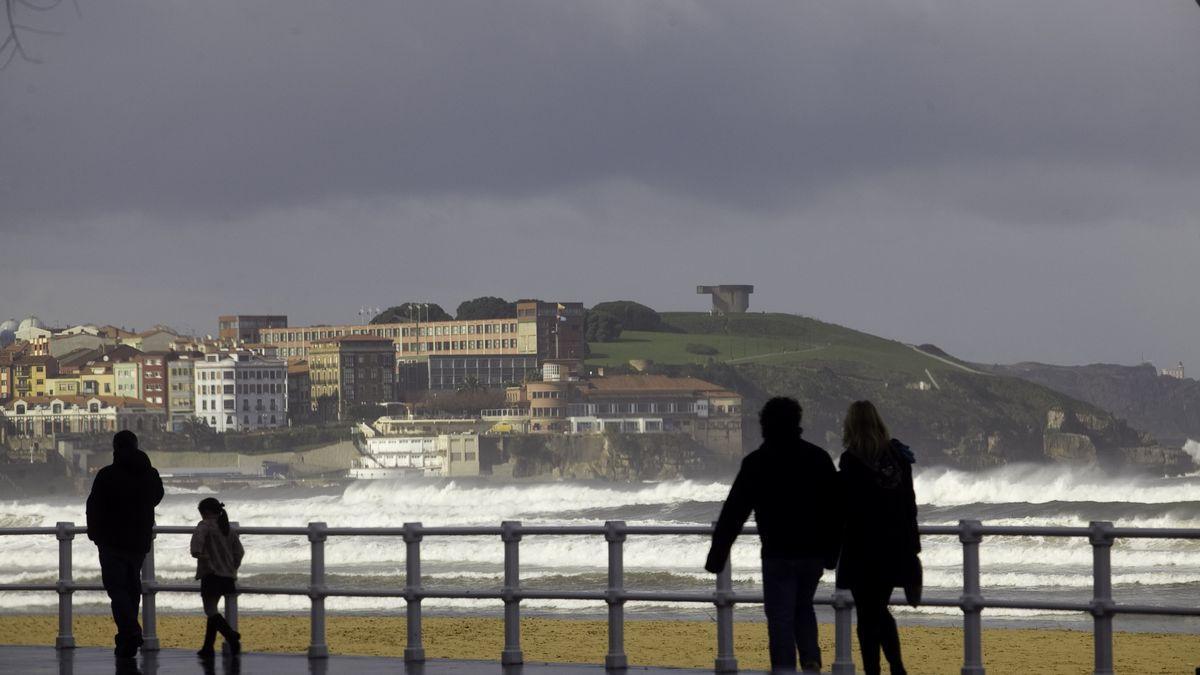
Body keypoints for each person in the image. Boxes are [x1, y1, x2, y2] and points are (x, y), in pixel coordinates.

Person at [705, 397, 840, 673]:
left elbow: (734, 513)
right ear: (797, 422)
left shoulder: (757, 462)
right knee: (803, 607)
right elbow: (836, 510)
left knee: (780, 617)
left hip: (777, 552)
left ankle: (784, 669)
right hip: (812, 552)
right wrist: (832, 552)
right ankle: (811, 660)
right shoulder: (818, 457)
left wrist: (717, 555)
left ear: (765, 425)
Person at [835, 400, 920, 675]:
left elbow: (846, 507)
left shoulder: (850, 460)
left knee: (868, 614)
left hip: (862, 548)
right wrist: (912, 548)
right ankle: (896, 666)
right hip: (894, 547)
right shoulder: (899, 457)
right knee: (878, 609)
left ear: (851, 425)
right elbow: (910, 504)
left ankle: (878, 669)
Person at [85, 430, 164, 658]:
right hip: (138, 541)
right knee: (132, 589)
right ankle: (126, 639)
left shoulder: (106, 475)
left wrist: (95, 534)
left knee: (117, 590)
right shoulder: (149, 473)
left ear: (115, 448)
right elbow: (157, 497)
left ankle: (130, 631)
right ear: (136, 445)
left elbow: (93, 506)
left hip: (110, 541)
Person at [191, 497, 244, 658]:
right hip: (227, 575)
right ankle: (208, 648)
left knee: (210, 610)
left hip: (211, 574)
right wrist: (232, 566)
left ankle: (231, 635)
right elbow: (239, 552)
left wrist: (201, 555)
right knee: (213, 610)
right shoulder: (227, 529)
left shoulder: (205, 525)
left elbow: (196, 547)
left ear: (205, 512)